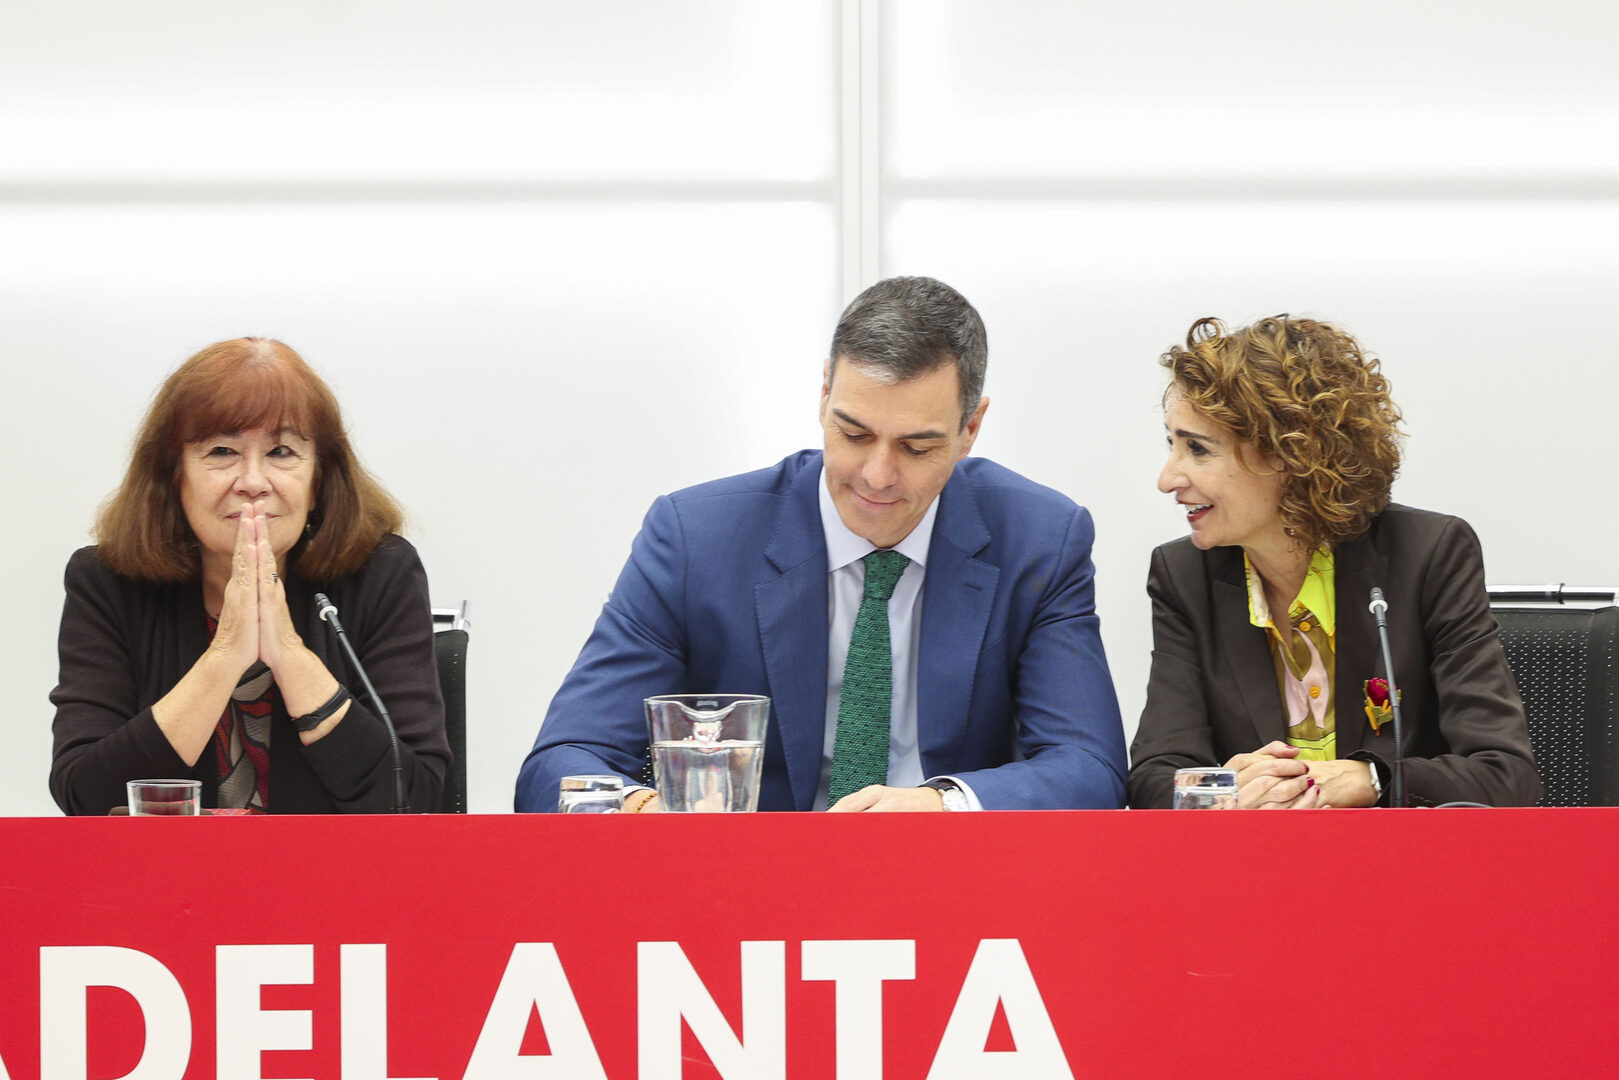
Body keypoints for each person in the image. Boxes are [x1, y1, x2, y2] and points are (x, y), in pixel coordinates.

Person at [516, 276, 1126, 812]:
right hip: (746, 884)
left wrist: (942, 806)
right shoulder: (695, 540)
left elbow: (1090, 768)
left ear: (971, 428)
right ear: (823, 397)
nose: (878, 476)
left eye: (917, 447)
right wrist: (651, 812)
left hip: (952, 880)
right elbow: (560, 764)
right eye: (854, 434)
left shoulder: (1040, 540)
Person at [1130, 315, 1540, 809]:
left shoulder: (1427, 555)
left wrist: (1373, 779)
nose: (1168, 479)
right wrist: (1226, 791)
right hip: (1256, 856)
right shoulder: (1183, 576)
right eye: (1172, 444)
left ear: (1288, 453)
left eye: (1197, 449)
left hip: (1399, 855)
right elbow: (1154, 775)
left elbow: (1505, 775)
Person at [50, 338, 450, 814]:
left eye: (282, 451)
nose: (254, 482)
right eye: (222, 451)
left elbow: (417, 799)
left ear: (319, 480)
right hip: (172, 864)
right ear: (173, 477)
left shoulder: (380, 575)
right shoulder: (108, 583)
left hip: (330, 862)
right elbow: (86, 800)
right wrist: (225, 657)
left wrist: (289, 654)